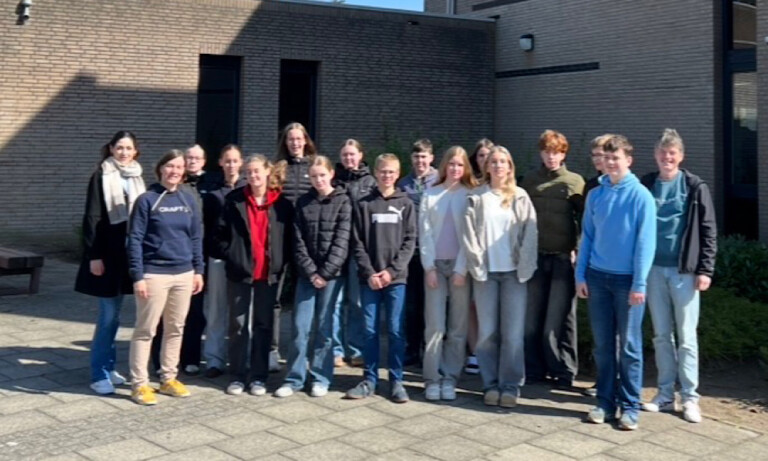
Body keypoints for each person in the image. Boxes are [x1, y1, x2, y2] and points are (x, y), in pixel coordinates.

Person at [576, 135, 656, 430]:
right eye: (606, 158)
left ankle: (630, 406)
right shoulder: (596, 194)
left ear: (628, 161)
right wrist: (580, 276)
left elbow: (645, 244)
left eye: (616, 158)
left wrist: (640, 284)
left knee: (630, 346)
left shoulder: (641, 197)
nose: (610, 163)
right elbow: (587, 238)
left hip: (627, 283)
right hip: (597, 279)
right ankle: (605, 403)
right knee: (603, 346)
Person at [640, 129, 717, 424]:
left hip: (684, 272)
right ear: (656, 155)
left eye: (672, 153)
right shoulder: (647, 184)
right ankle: (663, 395)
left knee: (686, 338)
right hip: (653, 271)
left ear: (680, 156)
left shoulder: (695, 187)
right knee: (661, 335)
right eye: (662, 152)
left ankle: (690, 398)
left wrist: (705, 269)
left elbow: (709, 230)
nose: (667, 157)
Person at [127, 149, 205, 405]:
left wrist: (198, 270)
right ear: (161, 168)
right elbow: (135, 239)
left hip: (183, 274)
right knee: (146, 330)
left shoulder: (187, 200)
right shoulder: (147, 200)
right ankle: (139, 384)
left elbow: (195, 237)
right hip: (154, 274)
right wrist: (138, 275)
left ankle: (168, 378)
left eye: (179, 167)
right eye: (170, 166)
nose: (174, 171)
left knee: (175, 329)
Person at [464, 146, 538, 407]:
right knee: (487, 333)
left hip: (513, 274)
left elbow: (530, 233)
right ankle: (490, 384)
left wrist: (525, 267)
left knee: (513, 334)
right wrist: (477, 266)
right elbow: (469, 235)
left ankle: (511, 385)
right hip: (486, 274)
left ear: (510, 166)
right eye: (493, 162)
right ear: (486, 167)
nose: (497, 166)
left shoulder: (520, 196)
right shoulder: (476, 197)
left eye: (503, 162)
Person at [76, 131, 147, 395]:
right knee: (107, 316)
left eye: (129, 148)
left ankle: (109, 366)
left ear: (135, 152)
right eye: (119, 148)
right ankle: (99, 374)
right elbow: (92, 216)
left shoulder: (137, 176)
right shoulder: (101, 175)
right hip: (107, 255)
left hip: (128, 255)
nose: (124, 153)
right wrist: (93, 255)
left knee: (117, 316)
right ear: (111, 149)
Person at [275, 155, 352, 398]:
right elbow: (297, 241)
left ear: (331, 174)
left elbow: (342, 241)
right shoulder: (303, 202)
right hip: (306, 276)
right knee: (299, 327)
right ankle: (295, 378)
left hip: (331, 276)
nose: (318, 179)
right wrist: (310, 271)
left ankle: (320, 377)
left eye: (322, 175)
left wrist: (325, 273)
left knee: (324, 328)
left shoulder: (343, 202)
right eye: (314, 176)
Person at [217, 155, 292, 396]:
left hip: (269, 275)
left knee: (263, 324)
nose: (253, 176)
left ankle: (258, 377)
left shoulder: (282, 204)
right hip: (240, 273)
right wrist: (233, 256)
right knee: (238, 325)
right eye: (249, 172)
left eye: (257, 171)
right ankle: (238, 375)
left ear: (268, 172)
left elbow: (289, 239)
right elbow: (219, 235)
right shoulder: (234, 200)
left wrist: (282, 263)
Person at [345, 154, 416, 403]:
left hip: (396, 279)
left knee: (396, 331)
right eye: (383, 171)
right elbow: (357, 242)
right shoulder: (364, 204)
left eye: (391, 172)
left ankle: (396, 381)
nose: (387, 175)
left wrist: (391, 272)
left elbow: (409, 242)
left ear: (398, 174)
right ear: (376, 172)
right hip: (370, 279)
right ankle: (369, 380)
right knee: (369, 330)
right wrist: (370, 272)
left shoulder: (406, 204)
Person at [521, 130, 584, 389]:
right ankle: (534, 370)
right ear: (541, 153)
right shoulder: (530, 181)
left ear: (563, 154)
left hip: (561, 259)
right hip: (535, 258)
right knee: (532, 319)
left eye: (556, 152)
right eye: (547, 151)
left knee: (558, 320)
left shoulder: (575, 182)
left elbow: (584, 222)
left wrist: (578, 251)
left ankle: (563, 370)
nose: (551, 157)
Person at [420, 146, 476, 401]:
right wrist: (428, 267)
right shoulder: (430, 194)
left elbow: (471, 237)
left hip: (459, 268)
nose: (455, 169)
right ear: (444, 166)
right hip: (435, 267)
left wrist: (462, 269)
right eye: (451, 164)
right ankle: (432, 378)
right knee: (435, 326)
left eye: (460, 165)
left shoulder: (470, 195)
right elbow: (425, 234)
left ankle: (450, 377)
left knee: (457, 327)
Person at [150, 144, 210, 376]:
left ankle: (189, 358)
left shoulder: (194, 193)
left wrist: (199, 265)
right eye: (188, 158)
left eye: (197, 158)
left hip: (190, 261)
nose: (191, 161)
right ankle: (159, 362)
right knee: (162, 317)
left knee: (193, 313)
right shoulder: (158, 192)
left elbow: (199, 229)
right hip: (162, 263)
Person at [270, 122, 318, 371]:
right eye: (290, 139)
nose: (295, 143)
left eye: (299, 139)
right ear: (285, 143)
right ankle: (271, 349)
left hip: (307, 242)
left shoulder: (315, 167)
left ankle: (302, 352)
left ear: (306, 140)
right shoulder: (278, 168)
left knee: (305, 300)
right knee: (274, 298)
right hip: (280, 239)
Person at [199, 144, 246, 379]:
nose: (231, 165)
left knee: (240, 313)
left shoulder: (247, 192)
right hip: (218, 259)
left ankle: (238, 357)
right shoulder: (212, 194)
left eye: (235, 161)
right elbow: (207, 229)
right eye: (227, 161)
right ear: (220, 163)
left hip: (241, 261)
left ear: (241, 163)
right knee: (216, 309)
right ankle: (214, 359)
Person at [332, 139, 376, 367]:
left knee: (356, 302)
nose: (349, 159)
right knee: (335, 302)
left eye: (352, 154)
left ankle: (356, 349)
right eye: (345, 155)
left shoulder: (371, 182)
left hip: (359, 248)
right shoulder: (334, 180)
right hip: (335, 248)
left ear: (360, 155)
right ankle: (335, 350)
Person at [397, 139, 438, 366]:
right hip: (411, 253)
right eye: (416, 157)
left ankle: (430, 350)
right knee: (412, 304)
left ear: (431, 158)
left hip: (435, 252)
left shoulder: (440, 181)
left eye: (424, 157)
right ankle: (412, 348)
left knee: (432, 305)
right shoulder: (404, 184)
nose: (420, 161)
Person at [465, 138, 494, 375]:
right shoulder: (469, 185)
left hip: (496, 258)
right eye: (481, 156)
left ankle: (491, 350)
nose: (485, 160)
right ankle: (474, 351)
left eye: (489, 155)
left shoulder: (504, 185)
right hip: (472, 255)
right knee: (472, 306)